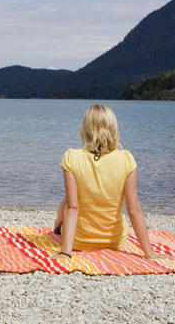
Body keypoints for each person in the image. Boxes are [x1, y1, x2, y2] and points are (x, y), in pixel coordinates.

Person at [53, 104, 162, 260]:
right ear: (113, 129)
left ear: (85, 129)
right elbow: (134, 210)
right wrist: (149, 253)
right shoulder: (126, 159)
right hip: (114, 241)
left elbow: (73, 208)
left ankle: (57, 226)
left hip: (79, 241)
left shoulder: (71, 157)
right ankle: (58, 226)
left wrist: (65, 252)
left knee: (69, 200)